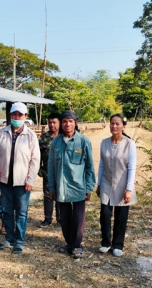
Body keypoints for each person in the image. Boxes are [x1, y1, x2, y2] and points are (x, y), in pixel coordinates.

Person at [0, 102, 40, 254]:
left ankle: (19, 241)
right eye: (14, 114)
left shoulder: (30, 135)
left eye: (20, 115)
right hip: (5, 180)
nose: (17, 117)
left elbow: (35, 159)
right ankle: (9, 238)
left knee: (21, 212)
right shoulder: (2, 133)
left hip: (22, 181)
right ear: (10, 115)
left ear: (25, 116)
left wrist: (30, 180)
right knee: (6, 210)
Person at [47, 110, 96, 260]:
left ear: (75, 123)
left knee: (79, 218)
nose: (67, 124)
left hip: (78, 186)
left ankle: (77, 245)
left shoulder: (83, 141)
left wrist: (89, 187)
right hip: (61, 187)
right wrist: (52, 187)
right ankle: (69, 243)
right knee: (65, 217)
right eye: (64, 121)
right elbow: (51, 166)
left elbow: (89, 166)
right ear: (61, 124)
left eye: (70, 121)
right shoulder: (56, 142)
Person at [96, 113, 137, 257]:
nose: (114, 126)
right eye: (112, 123)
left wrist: (129, 189)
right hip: (107, 182)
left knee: (121, 216)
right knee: (105, 214)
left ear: (123, 126)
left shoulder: (129, 144)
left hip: (122, 183)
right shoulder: (104, 143)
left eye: (117, 124)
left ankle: (118, 244)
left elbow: (132, 167)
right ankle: (106, 242)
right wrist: (99, 183)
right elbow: (101, 165)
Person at [38, 112, 61, 228]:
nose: (52, 125)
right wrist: (39, 169)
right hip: (47, 171)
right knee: (48, 195)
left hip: (62, 172)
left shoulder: (63, 136)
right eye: (50, 122)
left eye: (54, 122)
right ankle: (47, 219)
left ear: (59, 123)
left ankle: (61, 219)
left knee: (61, 195)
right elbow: (38, 154)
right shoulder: (44, 137)